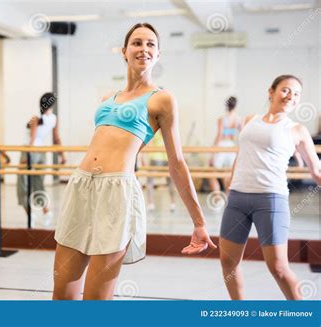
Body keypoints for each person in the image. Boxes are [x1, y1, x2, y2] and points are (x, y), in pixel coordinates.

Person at [53, 23, 216, 300]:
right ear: (124, 52)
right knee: (62, 296)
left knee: (95, 300)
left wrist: (199, 222)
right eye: (137, 43)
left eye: (151, 44)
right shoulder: (107, 98)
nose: (144, 49)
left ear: (158, 54)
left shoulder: (161, 99)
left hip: (116, 193)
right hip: (80, 186)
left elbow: (176, 162)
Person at [219, 75, 321, 300]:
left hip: (270, 200)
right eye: (286, 90)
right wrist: (231, 179)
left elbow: (316, 170)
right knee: (227, 261)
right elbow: (242, 151)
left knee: (278, 268)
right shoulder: (250, 119)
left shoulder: (296, 130)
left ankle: (302, 315)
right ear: (271, 91)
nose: (291, 97)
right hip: (237, 198)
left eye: (296, 94)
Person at [17, 92, 66, 226]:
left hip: (30, 151)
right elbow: (57, 138)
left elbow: (31, 140)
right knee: (39, 184)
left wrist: (26, 158)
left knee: (22, 185)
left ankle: (30, 214)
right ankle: (46, 211)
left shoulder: (35, 118)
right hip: (42, 153)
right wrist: (62, 155)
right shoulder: (54, 118)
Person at [209, 96, 242, 193]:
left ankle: (217, 196)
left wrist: (213, 151)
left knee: (212, 173)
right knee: (228, 175)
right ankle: (229, 198)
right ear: (236, 106)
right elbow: (243, 133)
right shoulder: (238, 119)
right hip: (231, 148)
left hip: (222, 146)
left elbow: (219, 135)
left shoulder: (222, 119)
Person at [145, 132, 176, 212]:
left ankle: (150, 203)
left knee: (150, 181)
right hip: (163, 157)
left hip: (158, 158)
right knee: (170, 182)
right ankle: (172, 203)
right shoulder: (167, 129)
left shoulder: (155, 129)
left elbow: (149, 143)